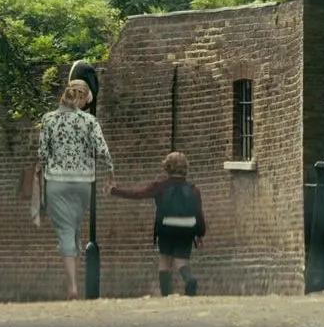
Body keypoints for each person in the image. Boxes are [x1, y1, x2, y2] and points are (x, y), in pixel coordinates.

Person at [37, 79, 114, 300]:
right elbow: (103, 151)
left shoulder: (48, 119)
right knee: (74, 227)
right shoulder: (90, 121)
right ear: (83, 98)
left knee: (66, 229)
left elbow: (42, 154)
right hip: (83, 182)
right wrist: (111, 175)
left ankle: (72, 286)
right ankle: (74, 278)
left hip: (57, 182)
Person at [108, 151, 206, 297]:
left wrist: (114, 191)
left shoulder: (160, 187)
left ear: (167, 167)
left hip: (166, 228)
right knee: (182, 261)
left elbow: (137, 194)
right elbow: (199, 213)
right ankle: (189, 279)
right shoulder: (194, 189)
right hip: (187, 228)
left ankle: (166, 296)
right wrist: (200, 234)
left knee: (164, 260)